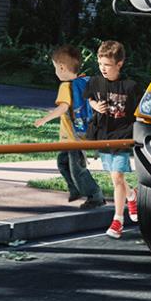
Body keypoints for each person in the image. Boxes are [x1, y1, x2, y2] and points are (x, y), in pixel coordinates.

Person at [34, 45, 103, 207]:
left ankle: (95, 196)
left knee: (77, 169)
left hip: (73, 139)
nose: (55, 72)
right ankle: (75, 189)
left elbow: (63, 107)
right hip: (72, 137)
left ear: (62, 67)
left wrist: (44, 119)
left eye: (55, 68)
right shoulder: (82, 82)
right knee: (63, 162)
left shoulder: (66, 86)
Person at [87, 41, 143, 237]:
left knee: (117, 177)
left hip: (122, 136)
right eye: (100, 63)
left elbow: (138, 112)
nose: (102, 68)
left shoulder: (130, 86)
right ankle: (132, 195)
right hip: (104, 135)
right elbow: (90, 97)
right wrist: (95, 106)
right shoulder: (95, 82)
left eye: (107, 65)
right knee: (114, 176)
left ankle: (118, 221)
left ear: (119, 64)